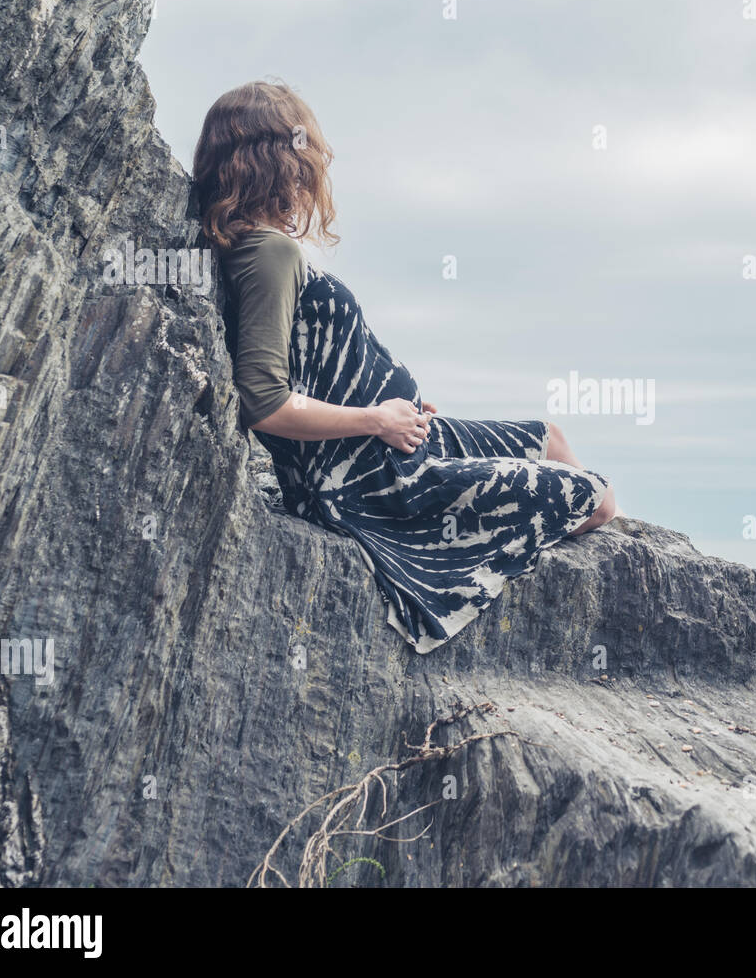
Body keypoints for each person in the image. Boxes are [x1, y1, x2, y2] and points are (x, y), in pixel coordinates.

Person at [192, 80, 617, 653]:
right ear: (277, 159)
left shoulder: (254, 247)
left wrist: (392, 406)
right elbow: (263, 402)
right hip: (371, 475)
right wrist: (377, 419)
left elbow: (316, 361)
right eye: (304, 154)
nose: (311, 172)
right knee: (597, 496)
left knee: (552, 437)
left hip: (394, 437)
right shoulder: (271, 253)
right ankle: (484, 548)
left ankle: (493, 525)